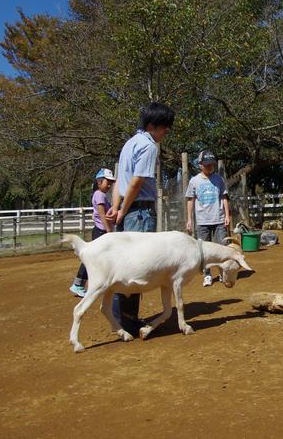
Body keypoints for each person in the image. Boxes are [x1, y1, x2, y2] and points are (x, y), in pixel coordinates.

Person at [108, 102, 175, 334]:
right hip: (140, 211)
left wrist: (116, 208)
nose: (167, 131)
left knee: (123, 265)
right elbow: (135, 183)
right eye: (165, 126)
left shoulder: (129, 143)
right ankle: (128, 320)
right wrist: (124, 210)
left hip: (128, 209)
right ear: (152, 125)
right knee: (138, 266)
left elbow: (118, 181)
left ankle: (122, 318)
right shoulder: (149, 146)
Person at [185, 150, 230, 287]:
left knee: (222, 248)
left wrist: (227, 215)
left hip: (218, 220)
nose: (209, 167)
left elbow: (224, 197)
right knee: (204, 251)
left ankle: (223, 273)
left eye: (211, 164)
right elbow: (190, 200)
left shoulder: (219, 179)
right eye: (207, 164)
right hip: (202, 221)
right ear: (200, 165)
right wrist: (189, 219)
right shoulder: (194, 181)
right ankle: (207, 275)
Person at [69, 168, 116, 298]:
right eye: (108, 181)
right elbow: (102, 215)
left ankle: (83, 284)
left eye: (111, 182)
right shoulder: (99, 195)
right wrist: (109, 231)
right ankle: (79, 284)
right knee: (91, 259)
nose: (110, 185)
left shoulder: (101, 195)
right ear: (99, 182)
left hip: (101, 230)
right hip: (101, 231)